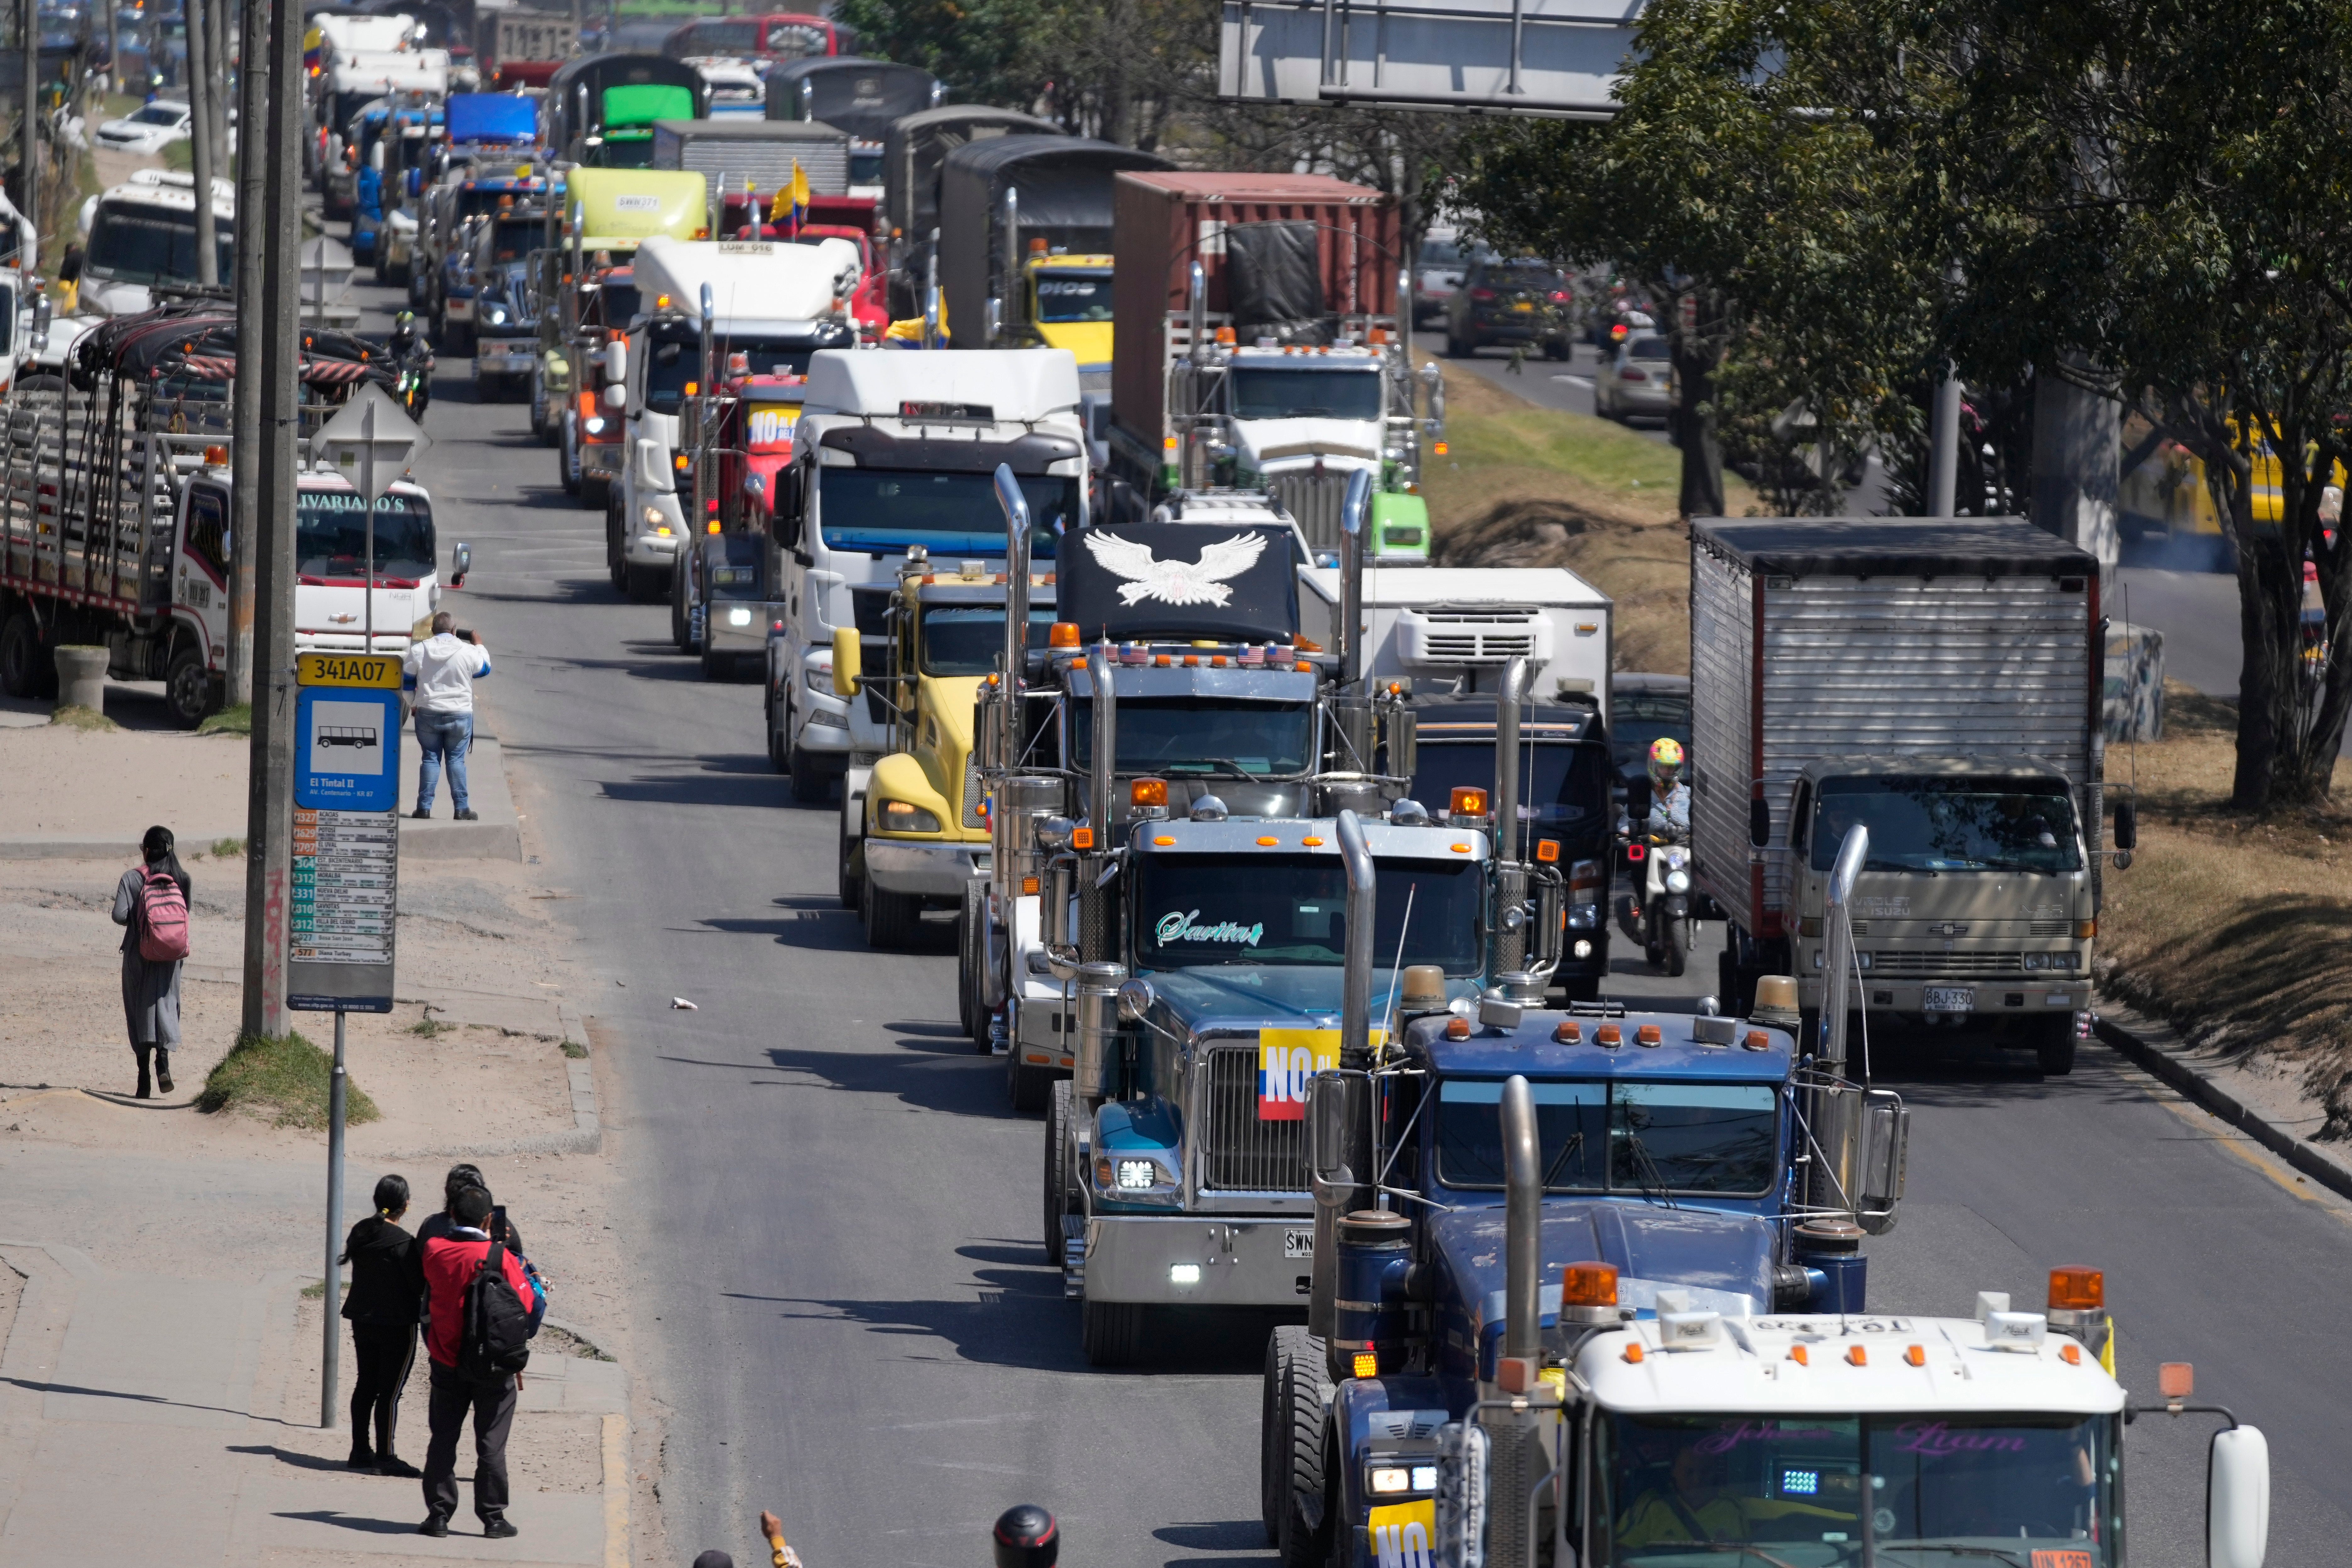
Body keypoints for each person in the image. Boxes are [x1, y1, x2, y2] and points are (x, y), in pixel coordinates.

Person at [417, 1186, 544, 1538]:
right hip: (492, 1364)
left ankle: (439, 1514)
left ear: (452, 1214)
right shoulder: (499, 1256)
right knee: (490, 1442)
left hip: (446, 1359)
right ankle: (493, 1517)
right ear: (489, 1219)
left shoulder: (433, 1250)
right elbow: (527, 1305)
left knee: (443, 1437)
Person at [341, 1173, 426, 1476]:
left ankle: (360, 1450)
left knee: (366, 1384)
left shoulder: (361, 1231)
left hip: (363, 1320)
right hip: (397, 1324)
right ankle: (386, 1455)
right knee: (390, 1391)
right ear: (405, 1204)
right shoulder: (403, 1242)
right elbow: (418, 1285)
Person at [110, 826, 190, 1099]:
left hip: (138, 953)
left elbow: (119, 915)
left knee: (138, 1010)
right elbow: (185, 913)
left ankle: (143, 1077)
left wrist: (141, 917)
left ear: (146, 850)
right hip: (171, 958)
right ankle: (163, 1062)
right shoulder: (182, 878)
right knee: (167, 1006)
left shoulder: (132, 878)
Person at [402, 611, 492, 822]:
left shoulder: (419, 650)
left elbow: (406, 680)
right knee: (456, 760)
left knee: (430, 759)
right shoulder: (467, 651)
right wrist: (479, 644)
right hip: (460, 715)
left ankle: (423, 808)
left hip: (428, 713)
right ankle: (462, 809)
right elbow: (485, 669)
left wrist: (413, 703)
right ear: (454, 630)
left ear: (433, 631)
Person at [1647, 736, 1691, 837]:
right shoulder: (1642, 795)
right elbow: (1625, 827)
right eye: (1662, 766)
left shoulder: (1690, 795)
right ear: (1655, 767)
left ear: (1677, 768)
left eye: (1671, 767)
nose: (1667, 771)